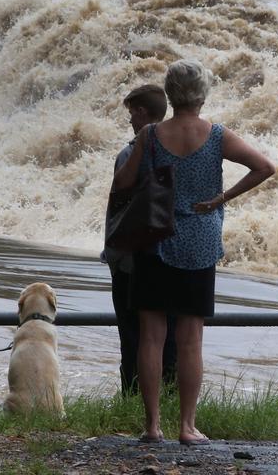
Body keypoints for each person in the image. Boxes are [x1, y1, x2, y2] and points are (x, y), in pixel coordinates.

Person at [112, 59, 275, 445]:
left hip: (155, 240)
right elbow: (264, 167)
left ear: (169, 94)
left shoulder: (151, 135)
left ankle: (152, 426)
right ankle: (187, 426)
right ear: (202, 94)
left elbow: (122, 184)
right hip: (199, 242)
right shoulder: (217, 135)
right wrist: (222, 196)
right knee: (190, 339)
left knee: (151, 336)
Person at [104, 83, 177, 394]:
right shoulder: (179, 149)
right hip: (171, 257)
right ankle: (172, 398)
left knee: (132, 337)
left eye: (131, 112)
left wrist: (114, 256)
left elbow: (120, 204)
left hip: (132, 261)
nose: (130, 119)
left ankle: (133, 400)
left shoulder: (130, 153)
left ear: (142, 112)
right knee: (170, 337)